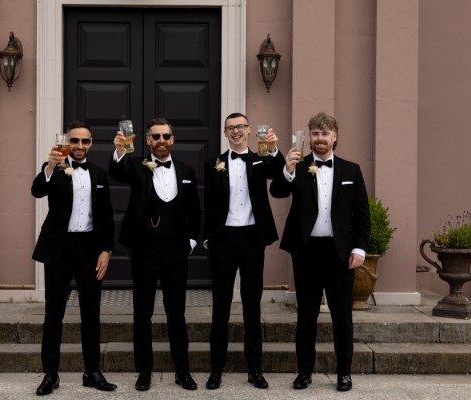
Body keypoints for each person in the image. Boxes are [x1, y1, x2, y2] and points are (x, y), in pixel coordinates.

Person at [270, 112, 370, 392]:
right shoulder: (299, 166)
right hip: (307, 252)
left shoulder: (352, 170)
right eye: (315, 133)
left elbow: (362, 214)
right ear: (309, 137)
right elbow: (278, 192)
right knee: (306, 315)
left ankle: (344, 373)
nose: (320, 139)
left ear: (335, 137)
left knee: (342, 316)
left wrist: (360, 247)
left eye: (325, 134)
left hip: (340, 253)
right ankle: (304, 372)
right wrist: (288, 169)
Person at [108, 117, 201, 392]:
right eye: (156, 137)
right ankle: (144, 371)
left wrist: (192, 242)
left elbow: (195, 210)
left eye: (166, 136)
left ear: (173, 140)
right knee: (142, 312)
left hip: (176, 250)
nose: (161, 141)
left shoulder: (186, 169)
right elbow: (117, 172)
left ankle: (182, 371)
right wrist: (121, 149)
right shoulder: (136, 166)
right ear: (147, 140)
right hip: (145, 249)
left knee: (177, 313)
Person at [31, 120, 117, 396]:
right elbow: (37, 190)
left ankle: (92, 371)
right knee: (53, 314)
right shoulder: (54, 169)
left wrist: (106, 250)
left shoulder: (100, 174)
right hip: (60, 247)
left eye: (85, 141)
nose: (80, 146)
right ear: (68, 142)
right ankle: (50, 374)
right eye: (75, 141)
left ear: (91, 144)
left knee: (91, 314)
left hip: (90, 249)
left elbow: (106, 216)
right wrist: (48, 166)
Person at [203, 112, 285, 390]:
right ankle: (216, 370)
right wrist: (206, 238)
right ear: (225, 133)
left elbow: (280, 175)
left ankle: (255, 370)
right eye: (230, 128)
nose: (235, 131)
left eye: (240, 127)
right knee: (221, 306)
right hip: (223, 239)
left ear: (249, 130)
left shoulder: (261, 159)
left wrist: (274, 148)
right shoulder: (213, 164)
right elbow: (209, 203)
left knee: (252, 305)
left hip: (252, 238)